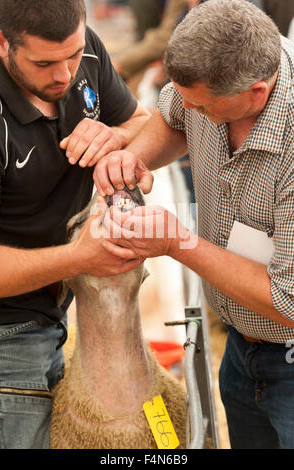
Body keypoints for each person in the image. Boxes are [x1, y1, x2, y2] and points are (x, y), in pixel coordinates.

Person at [92, 0, 294, 449]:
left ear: (257, 93)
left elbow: (288, 304)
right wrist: (134, 155)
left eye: (204, 107)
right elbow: (172, 115)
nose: (190, 111)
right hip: (242, 348)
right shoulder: (234, 60)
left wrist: (178, 243)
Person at [0, 0, 150, 449]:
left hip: (55, 317)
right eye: (44, 63)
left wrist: (117, 139)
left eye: (74, 55)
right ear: (1, 41)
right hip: (4, 335)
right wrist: (79, 258)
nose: (65, 74)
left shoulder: (82, 50)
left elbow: (139, 122)